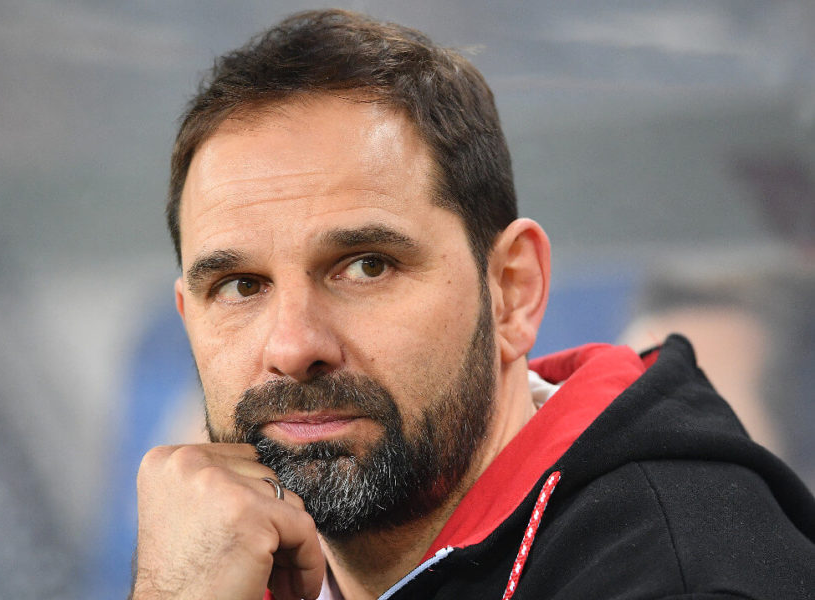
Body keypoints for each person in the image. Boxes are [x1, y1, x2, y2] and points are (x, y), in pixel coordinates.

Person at [131, 9, 815, 600]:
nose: (292, 345)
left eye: (366, 266)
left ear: (513, 291)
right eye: (241, 286)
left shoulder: (679, 575)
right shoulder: (234, 567)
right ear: (190, 320)